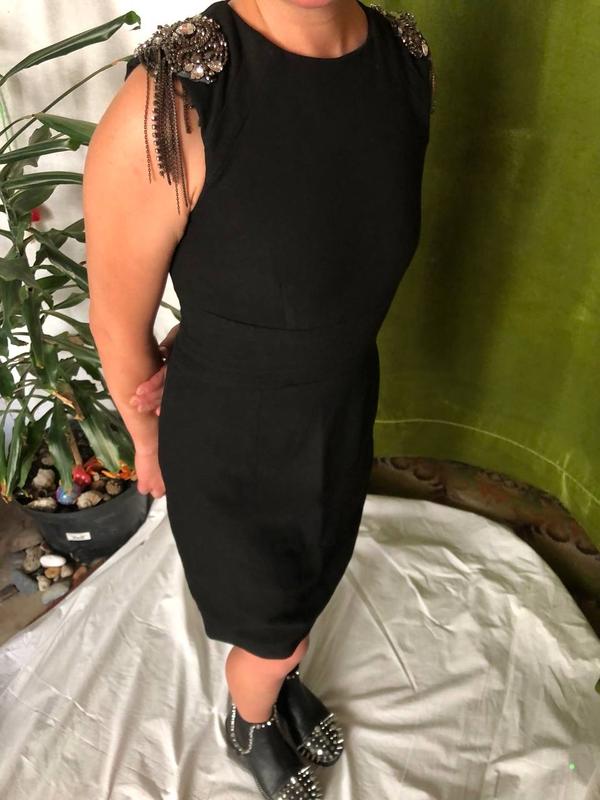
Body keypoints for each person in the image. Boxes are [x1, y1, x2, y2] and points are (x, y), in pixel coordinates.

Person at [83, 1, 434, 797]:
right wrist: (147, 440)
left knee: (309, 585)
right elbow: (116, 320)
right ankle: (249, 718)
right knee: (274, 633)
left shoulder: (406, 59)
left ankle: (276, 678)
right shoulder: (171, 103)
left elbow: (326, 246)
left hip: (340, 408)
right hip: (233, 442)